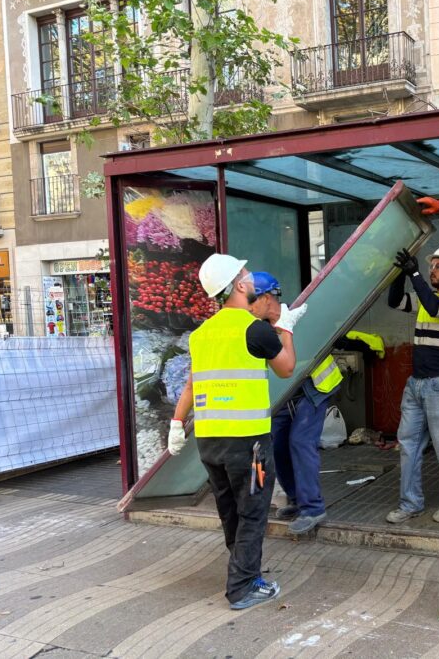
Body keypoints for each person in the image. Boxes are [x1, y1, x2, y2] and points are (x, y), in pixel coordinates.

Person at [167, 254, 306, 610]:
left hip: (210, 441)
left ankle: (244, 571)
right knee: (253, 511)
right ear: (240, 286)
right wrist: (286, 327)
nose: (249, 277)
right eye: (245, 273)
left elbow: (190, 385)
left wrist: (175, 423)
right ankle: (243, 587)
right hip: (249, 443)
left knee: (230, 510)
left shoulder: (201, 334)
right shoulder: (254, 329)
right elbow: (287, 368)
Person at [248, 271, 343, 535]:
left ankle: (313, 508)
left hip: (315, 388)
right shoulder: (261, 329)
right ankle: (297, 499)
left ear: (267, 298)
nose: (247, 306)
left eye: (251, 299)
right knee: (278, 446)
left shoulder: (300, 315)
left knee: (300, 441)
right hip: (287, 394)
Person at [385, 244, 439, 524]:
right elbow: (395, 301)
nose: (432, 270)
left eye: (438, 266)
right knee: (408, 444)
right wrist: (400, 273)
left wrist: (414, 274)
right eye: (430, 266)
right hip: (418, 383)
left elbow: (436, 309)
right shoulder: (427, 296)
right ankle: (410, 503)